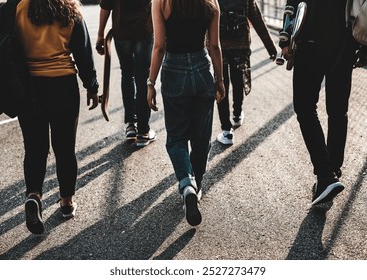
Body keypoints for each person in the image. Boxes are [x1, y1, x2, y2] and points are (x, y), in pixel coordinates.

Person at [0, 0, 99, 234]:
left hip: (28, 88)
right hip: (63, 87)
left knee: (34, 147)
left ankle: (34, 195)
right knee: (64, 148)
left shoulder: (15, 7)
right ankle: (66, 202)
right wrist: (91, 85)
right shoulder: (69, 8)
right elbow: (83, 52)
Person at [280, 0, 367, 205]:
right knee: (338, 111)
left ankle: (326, 175)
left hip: (310, 41)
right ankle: (332, 174)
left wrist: (285, 37)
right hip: (344, 45)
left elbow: (292, 3)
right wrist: (366, 47)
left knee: (304, 108)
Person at [147, 0, 225, 226]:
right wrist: (219, 80)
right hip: (202, 69)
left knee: (177, 139)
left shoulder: (160, 3)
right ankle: (196, 185)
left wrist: (150, 82)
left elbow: (159, 46)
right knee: (201, 140)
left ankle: (187, 184)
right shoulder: (211, 2)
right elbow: (214, 46)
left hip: (174, 71)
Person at [216, 0, 278, 145]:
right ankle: (237, 114)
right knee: (238, 80)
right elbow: (257, 20)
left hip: (219, 47)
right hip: (241, 44)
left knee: (221, 83)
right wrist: (271, 48)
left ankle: (226, 130)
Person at [96, 0, 156, 147]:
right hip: (144, 30)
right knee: (143, 78)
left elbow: (105, 6)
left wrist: (100, 34)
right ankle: (143, 130)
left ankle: (131, 125)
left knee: (127, 74)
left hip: (121, 32)